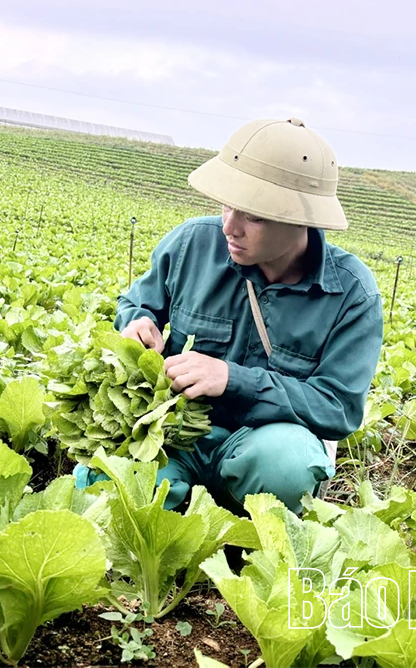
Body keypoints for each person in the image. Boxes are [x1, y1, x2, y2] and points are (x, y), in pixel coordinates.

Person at [75, 117, 384, 514]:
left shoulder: (351, 293)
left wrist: (233, 380)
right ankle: (184, 514)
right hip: (175, 437)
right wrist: (137, 322)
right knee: (104, 480)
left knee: (285, 467)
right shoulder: (191, 244)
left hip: (264, 447)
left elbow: (337, 407)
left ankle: (244, 529)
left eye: (254, 216)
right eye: (227, 205)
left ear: (301, 220)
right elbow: (136, 304)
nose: (229, 226)